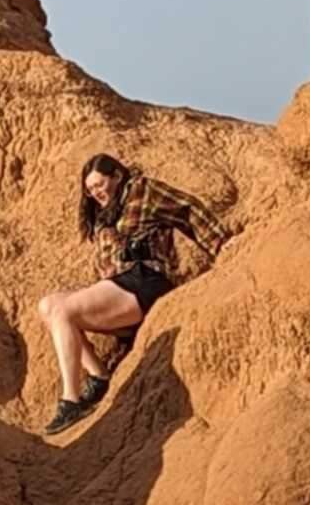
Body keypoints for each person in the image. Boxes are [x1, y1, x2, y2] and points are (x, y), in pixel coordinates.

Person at [35, 152, 225, 432]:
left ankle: (70, 401)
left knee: (65, 311)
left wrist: (221, 246)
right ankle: (99, 377)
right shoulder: (106, 212)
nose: (96, 193)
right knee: (47, 306)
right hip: (119, 286)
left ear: (118, 176)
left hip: (146, 281)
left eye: (100, 185)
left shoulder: (144, 191)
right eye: (90, 190)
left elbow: (188, 208)